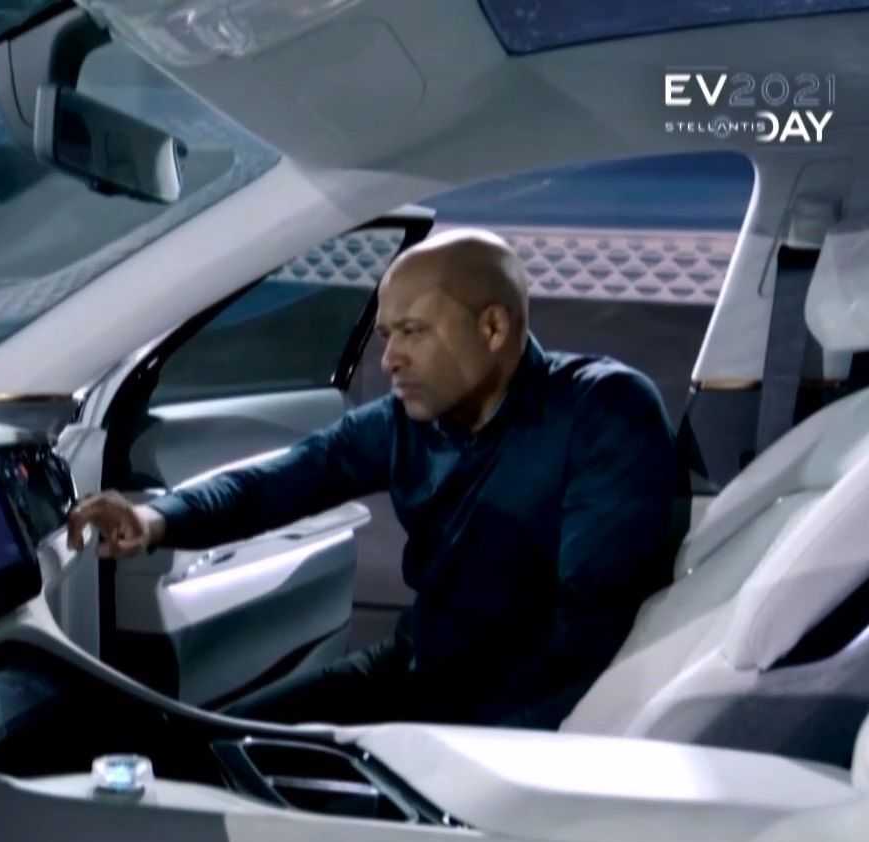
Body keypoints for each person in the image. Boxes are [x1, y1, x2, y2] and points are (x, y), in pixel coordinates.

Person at [66, 227, 684, 729]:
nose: (388, 359)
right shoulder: (408, 421)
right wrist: (154, 518)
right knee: (204, 751)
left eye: (412, 332)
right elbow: (286, 477)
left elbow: (585, 635)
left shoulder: (602, 411)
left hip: (510, 711)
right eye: (387, 337)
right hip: (413, 669)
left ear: (493, 329)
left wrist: (456, 776)